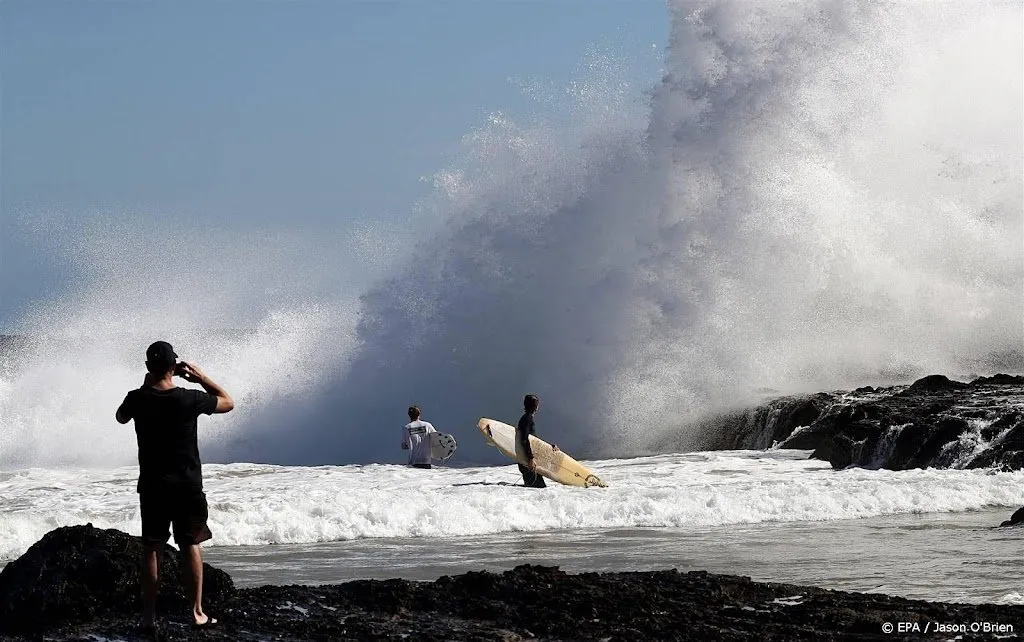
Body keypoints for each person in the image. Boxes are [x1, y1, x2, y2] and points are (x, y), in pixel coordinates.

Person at [115, 341, 234, 633]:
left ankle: (148, 618)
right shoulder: (189, 398)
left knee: (151, 548)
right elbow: (227, 402)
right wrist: (200, 377)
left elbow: (120, 417)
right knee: (190, 544)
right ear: (174, 367)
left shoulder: (136, 399)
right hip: (187, 486)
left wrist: (145, 386)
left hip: (153, 486)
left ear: (147, 368)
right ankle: (196, 613)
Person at [516, 394, 557, 488]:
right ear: (536, 406)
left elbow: (534, 441)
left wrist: (549, 447)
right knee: (538, 489)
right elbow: (524, 440)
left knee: (535, 489)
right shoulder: (527, 418)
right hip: (527, 461)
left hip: (527, 460)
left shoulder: (526, 418)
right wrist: (530, 459)